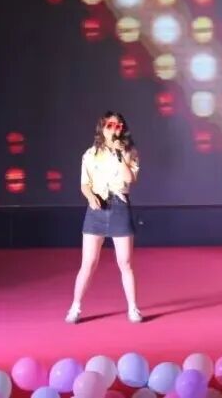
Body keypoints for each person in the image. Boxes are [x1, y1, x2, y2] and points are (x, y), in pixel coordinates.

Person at [65, 111, 142, 324]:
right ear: (102, 128)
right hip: (96, 208)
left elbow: (129, 178)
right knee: (88, 262)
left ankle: (133, 308)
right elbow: (84, 184)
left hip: (119, 206)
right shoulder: (90, 154)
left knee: (125, 262)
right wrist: (90, 197)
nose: (114, 129)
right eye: (110, 125)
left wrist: (119, 155)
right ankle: (75, 306)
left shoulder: (129, 151)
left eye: (118, 126)